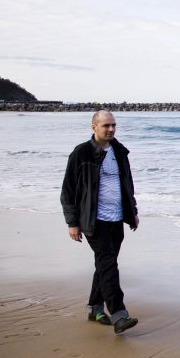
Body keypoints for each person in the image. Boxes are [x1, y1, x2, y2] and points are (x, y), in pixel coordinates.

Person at [61, 110, 140, 334]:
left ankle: (95, 308)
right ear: (93, 127)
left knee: (104, 265)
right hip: (93, 220)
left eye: (113, 125)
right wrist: (72, 222)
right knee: (108, 265)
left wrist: (132, 211)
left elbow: (128, 184)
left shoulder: (120, 151)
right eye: (106, 126)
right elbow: (67, 191)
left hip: (117, 218)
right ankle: (119, 314)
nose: (111, 129)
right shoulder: (82, 153)